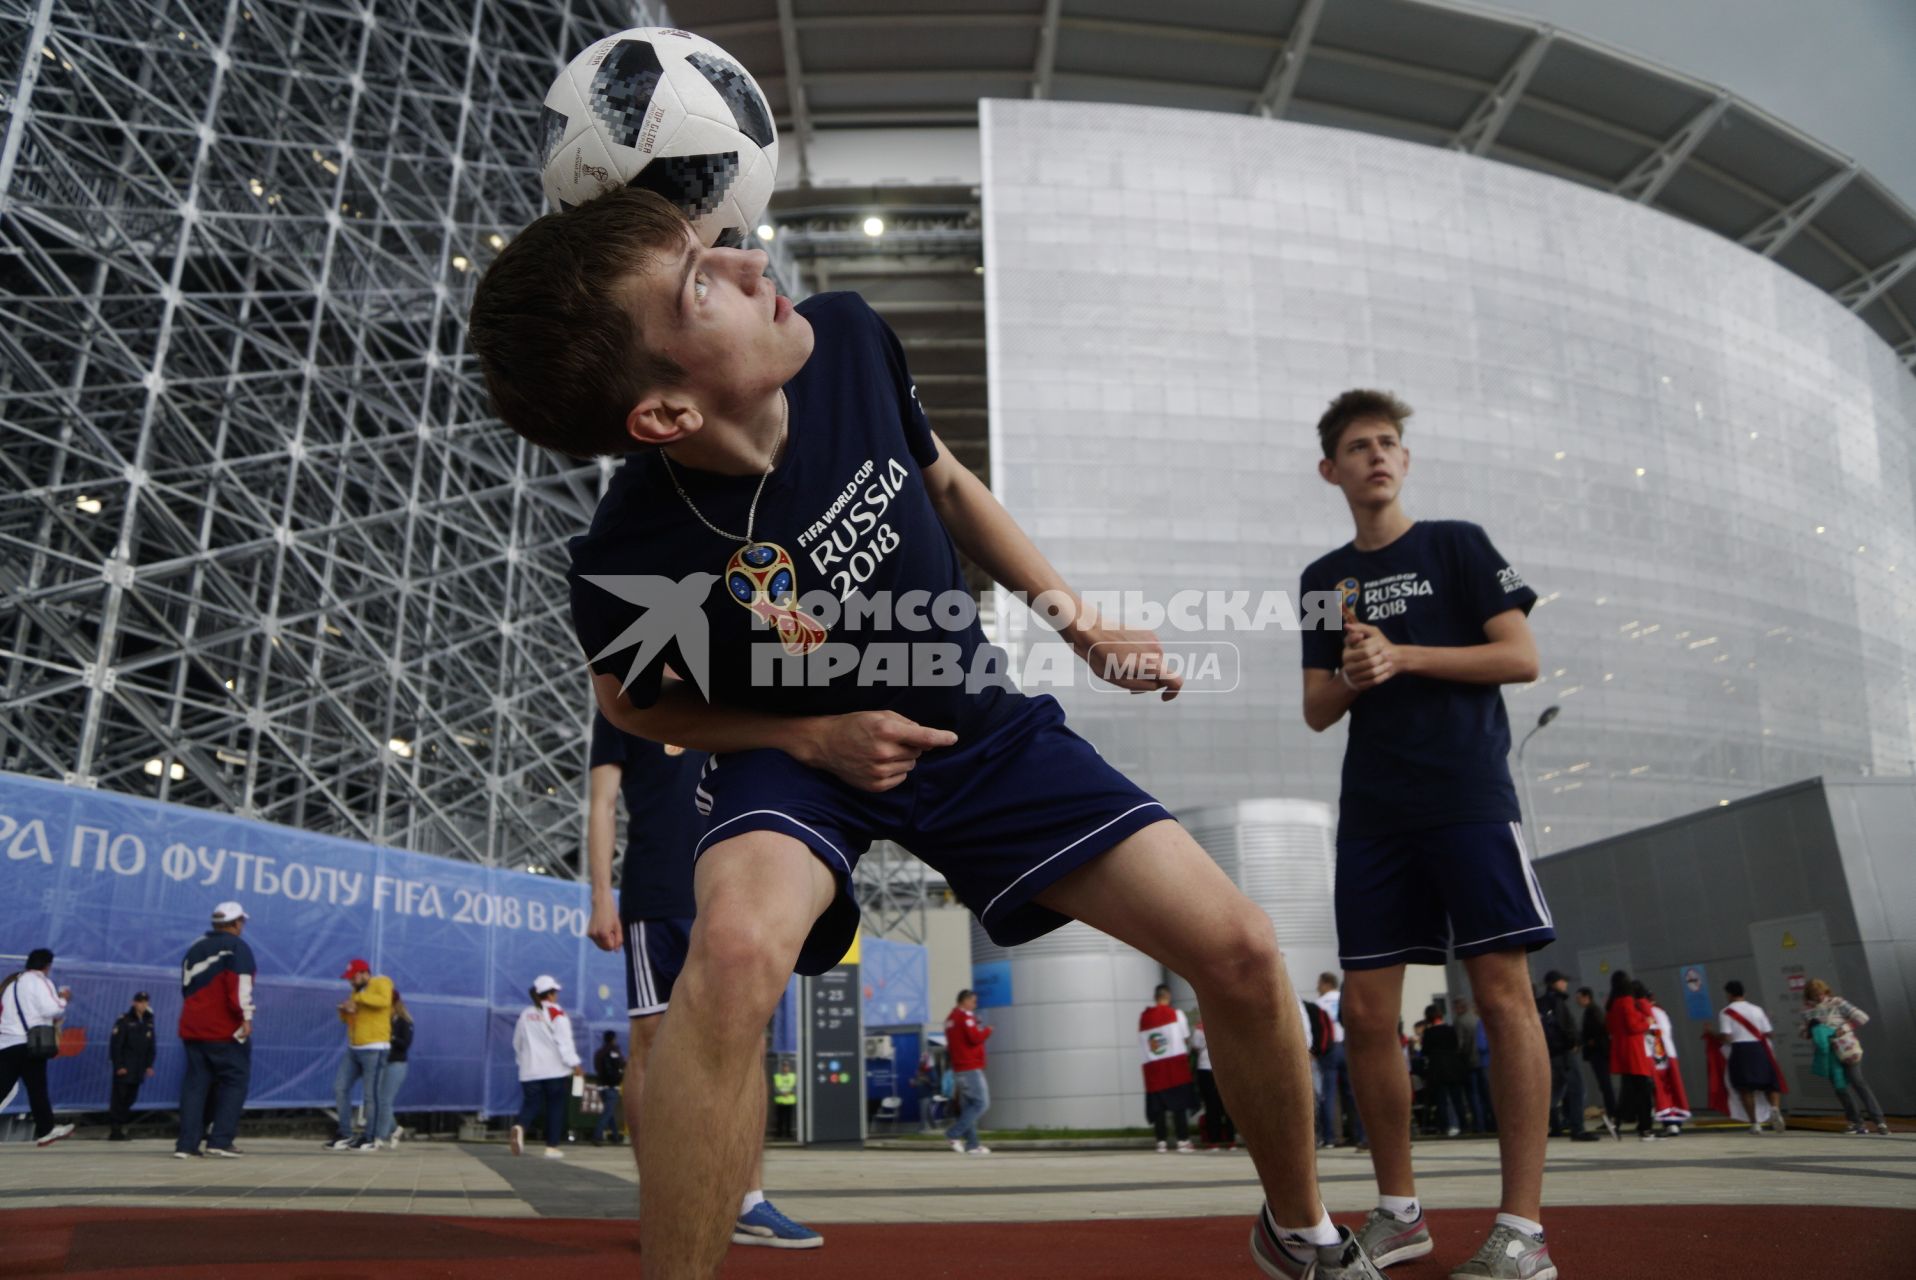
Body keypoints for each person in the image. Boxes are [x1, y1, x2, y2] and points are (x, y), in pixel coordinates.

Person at [472, 189, 1377, 1280]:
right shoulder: (633, 553)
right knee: (735, 949)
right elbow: (632, 703)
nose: (752, 262)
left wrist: (1078, 620)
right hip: (794, 758)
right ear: (661, 413)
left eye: (713, 246)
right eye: (699, 281)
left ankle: (1301, 1233)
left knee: (1237, 944)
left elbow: (945, 481)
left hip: (969, 719)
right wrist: (808, 738)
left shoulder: (848, 340)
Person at [1299, 388, 1552, 1280]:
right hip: (1374, 811)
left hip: (1469, 797)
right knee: (1368, 1014)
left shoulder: (1457, 544)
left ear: (1404, 460)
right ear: (1330, 469)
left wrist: (1403, 655)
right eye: (1358, 447)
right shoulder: (1325, 581)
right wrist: (1361, 673)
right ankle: (1401, 1212)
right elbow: (1317, 708)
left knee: (1500, 994)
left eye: (1389, 442)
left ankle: (1521, 1228)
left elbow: (1518, 657)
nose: (1376, 456)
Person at [584, 711, 820, 1247]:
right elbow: (601, 803)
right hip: (656, 891)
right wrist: (600, 895)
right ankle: (662, 1202)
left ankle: (747, 1202)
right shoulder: (623, 695)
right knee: (651, 1045)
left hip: (734, 882)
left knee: (748, 1041)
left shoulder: (731, 684)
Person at [175, 902, 255, 1159]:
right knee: (234, 1081)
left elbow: (186, 987)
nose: (242, 926)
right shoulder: (237, 946)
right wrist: (245, 1017)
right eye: (241, 921)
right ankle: (220, 1140)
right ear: (235, 923)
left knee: (195, 1085)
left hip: (191, 1026)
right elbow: (239, 987)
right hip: (223, 1029)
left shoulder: (195, 947)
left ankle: (186, 1145)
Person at [0, 947, 74, 1147]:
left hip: (7, 1043)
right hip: (30, 1044)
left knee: (3, 1086)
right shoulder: (40, 981)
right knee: (37, 1089)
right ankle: (46, 1130)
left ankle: (46, 1128)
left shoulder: (12, 983)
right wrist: (63, 999)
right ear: (47, 965)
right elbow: (51, 1008)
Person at [1800, 979, 1890, 1136]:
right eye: (1815, 995)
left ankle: (1879, 1121)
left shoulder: (1838, 1003)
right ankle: (1856, 1122)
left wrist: (1844, 1028)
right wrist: (1810, 1029)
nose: (1819, 997)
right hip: (1828, 1053)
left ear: (1826, 991)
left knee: (1857, 1082)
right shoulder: (1808, 1012)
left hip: (1847, 1049)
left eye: (1821, 993)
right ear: (1809, 996)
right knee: (1840, 1088)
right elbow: (1803, 1033)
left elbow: (1862, 1017)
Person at [511, 975, 583, 1159]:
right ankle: (551, 1147)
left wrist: (521, 1061)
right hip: (555, 1070)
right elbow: (564, 1042)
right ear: (550, 994)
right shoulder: (557, 1013)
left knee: (531, 1104)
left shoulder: (525, 1014)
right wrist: (575, 1063)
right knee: (555, 1107)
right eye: (555, 992)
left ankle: (520, 1127)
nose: (556, 996)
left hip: (529, 1070)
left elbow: (517, 1042)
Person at [328, 957, 393, 1151]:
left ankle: (370, 1137)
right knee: (340, 1087)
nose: (350, 981)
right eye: (349, 978)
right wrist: (345, 1010)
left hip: (375, 1047)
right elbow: (349, 1019)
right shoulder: (357, 991)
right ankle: (346, 1133)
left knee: (370, 1095)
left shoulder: (381, 982)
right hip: (354, 1047)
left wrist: (356, 1000)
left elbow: (383, 1001)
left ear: (365, 973)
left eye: (353, 977)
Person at [1719, 980, 1786, 1134]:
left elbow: (1726, 1037)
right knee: (1770, 1083)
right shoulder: (1757, 1009)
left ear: (1729, 994)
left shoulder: (1726, 1012)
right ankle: (1775, 1108)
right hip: (1760, 1048)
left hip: (1741, 1050)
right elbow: (1769, 1033)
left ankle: (1755, 1123)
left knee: (1745, 1088)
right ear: (1744, 993)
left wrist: (1713, 1036)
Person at [1538, 972, 1596, 1142]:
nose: (1566, 984)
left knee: (1555, 1092)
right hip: (1563, 1052)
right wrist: (1574, 1042)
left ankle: (1548, 1125)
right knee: (1577, 1089)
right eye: (1563, 981)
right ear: (1555, 983)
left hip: (1550, 1052)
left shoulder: (1541, 1002)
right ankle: (1577, 1128)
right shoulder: (1557, 1001)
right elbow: (1564, 1026)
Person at [1139, 985, 1197, 1154]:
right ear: (1168, 996)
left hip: (1154, 1071)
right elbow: (1186, 1038)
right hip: (1174, 1069)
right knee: (1179, 1107)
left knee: (1158, 1109)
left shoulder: (1144, 1018)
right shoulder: (1176, 1014)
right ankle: (1182, 1141)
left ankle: (1161, 1142)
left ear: (1155, 996)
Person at [1314, 973, 1364, 1150]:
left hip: (1330, 1049)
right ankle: (1358, 1134)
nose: (1317, 987)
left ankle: (1331, 1136)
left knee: (1329, 1094)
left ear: (1326, 983)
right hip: (1348, 1046)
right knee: (1353, 1093)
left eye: (1319, 984)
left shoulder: (1320, 1004)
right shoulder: (1344, 998)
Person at [1605, 970, 1656, 1141]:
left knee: (1629, 1089)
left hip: (1621, 1049)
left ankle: (1617, 1120)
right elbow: (1633, 1026)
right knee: (1642, 1090)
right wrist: (1646, 1022)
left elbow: (1611, 1027)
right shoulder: (1627, 1001)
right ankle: (1645, 1128)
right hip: (1634, 1049)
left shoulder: (1612, 1004)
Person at [944, 989, 993, 1155]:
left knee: (968, 1107)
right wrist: (987, 1031)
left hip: (959, 1068)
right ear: (965, 1001)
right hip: (970, 1067)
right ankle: (953, 1133)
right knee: (981, 1103)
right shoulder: (966, 1017)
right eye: (973, 1002)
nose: (975, 1005)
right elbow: (975, 1038)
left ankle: (972, 1144)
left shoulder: (950, 1019)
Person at [107, 991, 157, 1140]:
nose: (143, 1005)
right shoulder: (125, 1020)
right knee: (119, 1098)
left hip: (138, 1067)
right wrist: (119, 1065)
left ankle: (120, 1126)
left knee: (130, 1098)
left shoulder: (148, 1021)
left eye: (145, 1002)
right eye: (140, 1002)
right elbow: (116, 1044)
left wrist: (149, 1065)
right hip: (126, 1066)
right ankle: (115, 1129)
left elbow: (151, 1045)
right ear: (134, 1002)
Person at [1642, 987, 1690, 1136]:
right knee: (1672, 1088)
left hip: (1657, 1054)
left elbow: (1655, 1033)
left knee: (1661, 1090)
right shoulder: (1661, 1012)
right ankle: (1675, 1121)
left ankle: (1669, 1122)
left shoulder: (1650, 1013)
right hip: (1667, 1054)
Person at [1418, 1005, 1470, 1138]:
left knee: (1441, 1101)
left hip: (1437, 1068)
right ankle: (1464, 1125)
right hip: (1452, 1066)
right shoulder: (1450, 1029)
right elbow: (1456, 1045)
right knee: (1457, 1099)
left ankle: (1444, 1126)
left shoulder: (1429, 1033)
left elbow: (1425, 1051)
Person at [1575, 986, 1618, 1137]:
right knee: (1604, 1086)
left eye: (1579, 997)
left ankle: (1613, 1116)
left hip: (1599, 1054)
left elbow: (1601, 1030)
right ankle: (1612, 1115)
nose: (1577, 1000)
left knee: (1605, 1085)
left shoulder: (1593, 1011)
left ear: (1587, 997)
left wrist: (1591, 1042)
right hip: (1597, 1054)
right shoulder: (1591, 1011)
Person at [1190, 1009, 1235, 1149]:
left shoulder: (1199, 1028)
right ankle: (1230, 1140)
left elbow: (1195, 1047)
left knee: (1211, 1105)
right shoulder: (1227, 1023)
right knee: (1228, 1104)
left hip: (1205, 1068)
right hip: (1225, 1067)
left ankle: (1214, 1140)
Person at [374, 990, 413, 1147]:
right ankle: (395, 1129)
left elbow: (405, 1045)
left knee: (385, 1100)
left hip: (396, 1064)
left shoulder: (405, 1022)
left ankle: (380, 1136)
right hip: (383, 1062)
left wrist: (392, 1037)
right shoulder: (384, 1021)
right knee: (379, 1100)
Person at [1451, 996, 1489, 1134]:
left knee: (1473, 1096)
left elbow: (1460, 1044)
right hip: (1483, 1061)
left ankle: (1479, 1125)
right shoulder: (1477, 1018)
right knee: (1485, 1094)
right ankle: (1489, 1122)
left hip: (1470, 1062)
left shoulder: (1460, 1021)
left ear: (1459, 1007)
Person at [593, 1030, 625, 1145]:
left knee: (609, 1112)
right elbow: (621, 1064)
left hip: (601, 1086)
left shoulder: (599, 1052)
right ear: (613, 1039)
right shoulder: (614, 1051)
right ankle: (597, 1136)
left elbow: (597, 1067)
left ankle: (615, 1137)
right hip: (612, 1087)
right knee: (607, 1113)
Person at [772, 1057, 798, 1140]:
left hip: (790, 1101)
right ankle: (779, 1134)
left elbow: (796, 1087)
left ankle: (788, 1134)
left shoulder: (793, 1076)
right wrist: (782, 1093)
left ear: (789, 1068)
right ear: (781, 1068)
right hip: (780, 1101)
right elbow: (775, 1088)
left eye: (787, 1066)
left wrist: (789, 1093)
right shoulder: (777, 1077)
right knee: (780, 1119)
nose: (785, 1068)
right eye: (784, 1066)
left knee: (789, 1119)